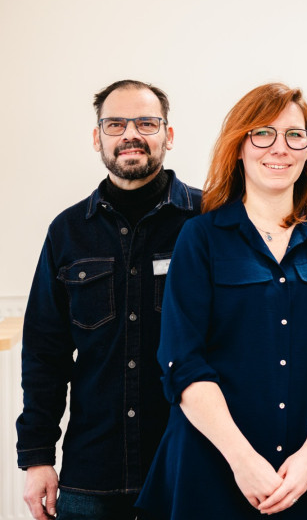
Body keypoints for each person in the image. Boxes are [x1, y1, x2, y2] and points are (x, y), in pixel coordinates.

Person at [135, 83, 307, 519]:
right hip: (213, 467)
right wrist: (243, 461)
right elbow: (183, 361)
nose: (280, 147)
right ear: (239, 146)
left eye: (294, 135)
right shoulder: (200, 237)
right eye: (262, 133)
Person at [16, 80, 201, 520]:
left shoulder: (207, 220)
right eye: (115, 124)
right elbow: (44, 353)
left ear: (168, 135)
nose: (130, 134)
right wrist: (38, 457)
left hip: (189, 464)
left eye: (146, 123)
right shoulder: (67, 232)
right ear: (97, 137)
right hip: (91, 473)